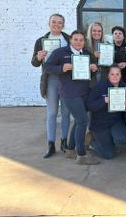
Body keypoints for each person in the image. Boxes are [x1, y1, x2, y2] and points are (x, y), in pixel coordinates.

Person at [44, 30, 99, 165]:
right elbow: (47, 66)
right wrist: (61, 68)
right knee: (82, 121)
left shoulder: (86, 54)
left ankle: (69, 150)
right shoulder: (60, 52)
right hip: (69, 93)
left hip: (84, 92)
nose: (78, 42)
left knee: (79, 121)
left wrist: (94, 69)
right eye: (75, 39)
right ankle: (81, 155)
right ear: (70, 40)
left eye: (81, 40)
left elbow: (89, 74)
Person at [31, 13, 71, 158]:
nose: (56, 25)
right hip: (51, 80)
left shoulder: (68, 39)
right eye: (54, 22)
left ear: (63, 25)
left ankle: (64, 142)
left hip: (66, 79)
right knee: (52, 113)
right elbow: (34, 63)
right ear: (49, 23)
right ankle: (51, 144)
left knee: (66, 113)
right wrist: (38, 57)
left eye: (60, 23)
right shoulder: (41, 41)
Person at [86, 65, 126, 159]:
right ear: (108, 76)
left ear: (121, 75)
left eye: (117, 74)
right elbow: (89, 105)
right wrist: (103, 101)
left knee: (122, 139)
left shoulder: (125, 88)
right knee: (108, 155)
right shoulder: (99, 86)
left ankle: (109, 141)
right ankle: (92, 141)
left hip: (115, 121)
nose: (115, 76)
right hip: (100, 123)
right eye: (112, 74)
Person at [85, 22, 108, 87]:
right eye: (94, 31)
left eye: (99, 31)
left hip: (104, 77)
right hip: (90, 79)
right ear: (90, 32)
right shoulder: (85, 45)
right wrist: (93, 56)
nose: (97, 33)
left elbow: (110, 62)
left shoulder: (107, 45)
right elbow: (81, 61)